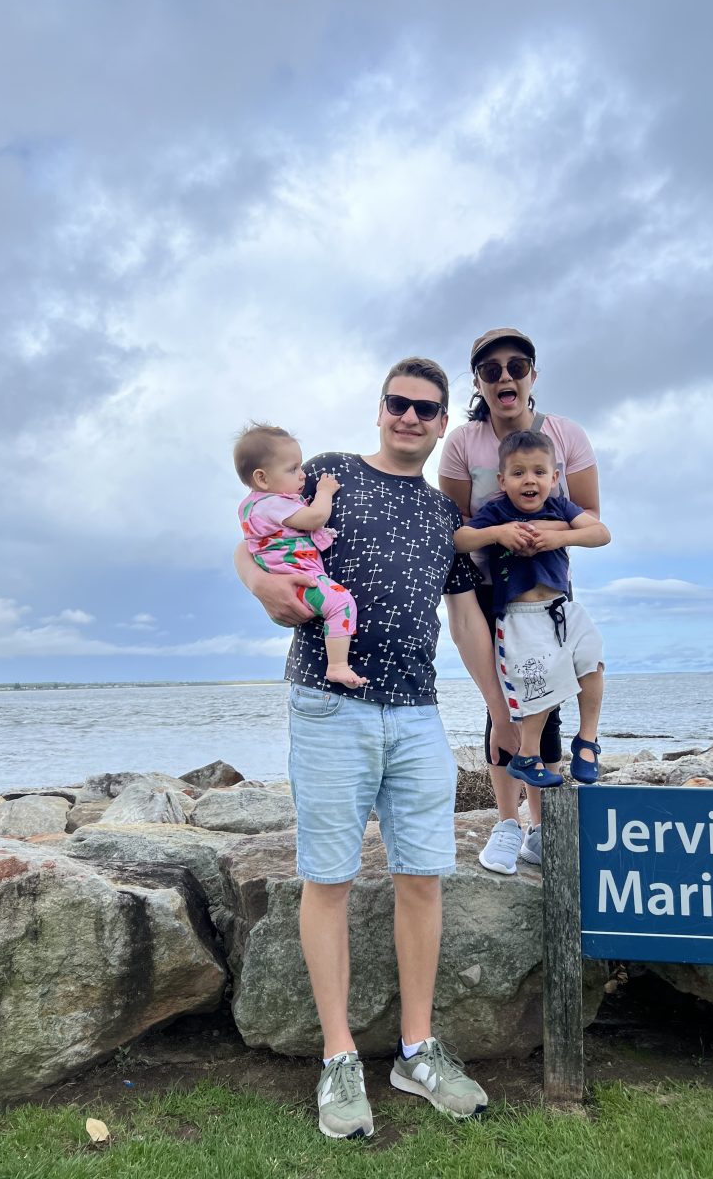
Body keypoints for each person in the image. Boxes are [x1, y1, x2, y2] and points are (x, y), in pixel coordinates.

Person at [234, 357, 519, 1141]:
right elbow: (249, 540)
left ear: (440, 422)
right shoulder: (323, 474)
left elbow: (465, 621)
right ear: (381, 407)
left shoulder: (439, 512)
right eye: (398, 403)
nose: (410, 418)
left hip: (418, 714)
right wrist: (264, 590)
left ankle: (417, 1050)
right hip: (330, 706)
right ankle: (338, 1058)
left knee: (423, 879)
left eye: (426, 410)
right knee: (327, 879)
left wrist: (499, 708)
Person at [438, 327, 604, 875]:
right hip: (490, 592)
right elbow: (454, 526)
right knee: (503, 704)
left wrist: (553, 536)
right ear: (479, 382)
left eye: (516, 365)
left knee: (549, 700)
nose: (505, 377)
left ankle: (542, 827)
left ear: (533, 372)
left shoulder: (564, 433)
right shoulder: (464, 442)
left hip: (551, 590)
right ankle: (507, 825)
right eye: (490, 370)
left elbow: (590, 517)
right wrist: (501, 533)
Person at [453, 429, 609, 791]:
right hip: (521, 616)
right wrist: (499, 533)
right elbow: (460, 540)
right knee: (543, 684)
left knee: (592, 659)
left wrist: (561, 536)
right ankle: (527, 754)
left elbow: (600, 533)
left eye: (539, 472)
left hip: (561, 607)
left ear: (554, 478)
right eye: (519, 472)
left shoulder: (560, 509)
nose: (530, 480)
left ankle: (587, 740)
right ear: (502, 479)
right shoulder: (496, 511)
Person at [234, 422, 366, 689]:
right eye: (293, 469)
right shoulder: (272, 503)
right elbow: (316, 517)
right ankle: (337, 665)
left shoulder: (255, 506)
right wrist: (325, 492)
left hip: (294, 579)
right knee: (341, 603)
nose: (303, 475)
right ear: (262, 478)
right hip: (299, 583)